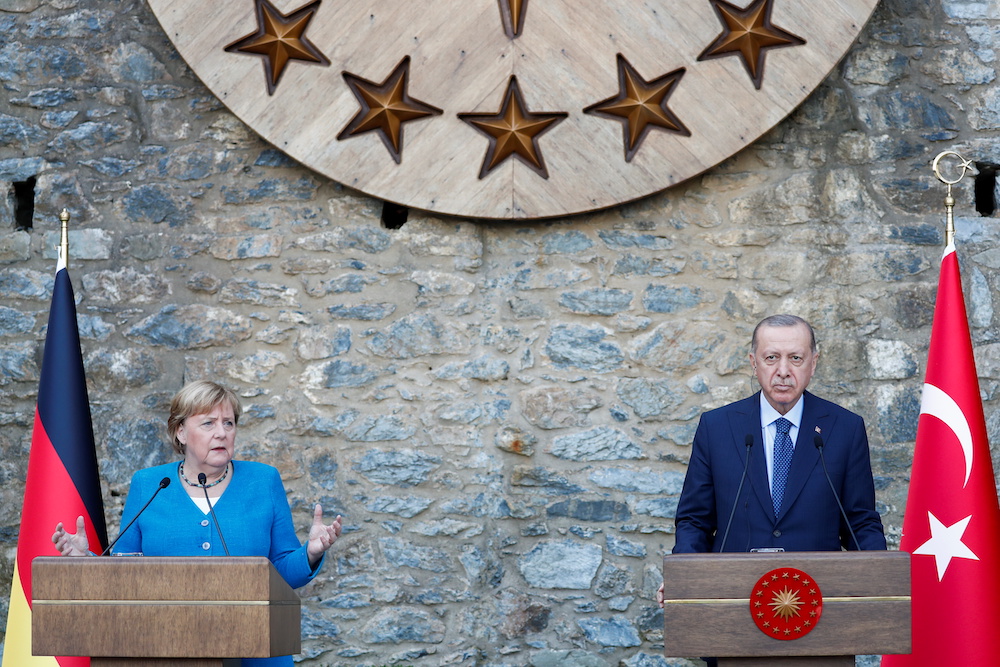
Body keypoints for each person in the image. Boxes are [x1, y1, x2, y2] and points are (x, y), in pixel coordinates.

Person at [52, 380, 342, 667]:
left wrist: (310, 553)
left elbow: (281, 574)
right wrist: (86, 560)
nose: (222, 433)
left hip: (256, 652)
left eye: (228, 423)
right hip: (165, 649)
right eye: (208, 423)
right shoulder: (149, 484)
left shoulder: (263, 480)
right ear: (181, 432)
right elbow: (124, 572)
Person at [658, 314, 886, 599]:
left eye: (796, 358)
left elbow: (860, 523)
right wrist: (684, 577)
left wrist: (881, 580)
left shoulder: (845, 428)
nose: (783, 371)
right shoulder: (717, 427)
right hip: (732, 594)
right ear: (754, 362)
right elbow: (695, 521)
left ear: (813, 363)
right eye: (771, 358)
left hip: (818, 597)